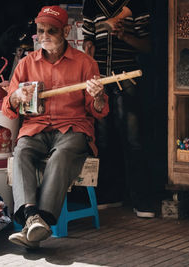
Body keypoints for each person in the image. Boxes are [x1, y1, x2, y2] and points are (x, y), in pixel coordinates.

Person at [2, 5, 109, 249]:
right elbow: (7, 109)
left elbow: (99, 111)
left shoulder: (85, 63)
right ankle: (32, 218)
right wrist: (17, 96)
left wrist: (99, 96)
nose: (45, 36)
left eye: (52, 30)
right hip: (36, 128)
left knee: (61, 155)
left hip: (71, 128)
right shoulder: (26, 64)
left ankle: (41, 220)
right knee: (22, 151)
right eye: (41, 31)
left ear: (66, 31)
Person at [82, 0, 155, 218]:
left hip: (128, 78)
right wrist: (88, 48)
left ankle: (141, 199)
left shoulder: (136, 5)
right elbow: (88, 39)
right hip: (100, 80)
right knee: (103, 139)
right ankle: (109, 194)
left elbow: (148, 46)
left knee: (133, 139)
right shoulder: (92, 4)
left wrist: (126, 37)